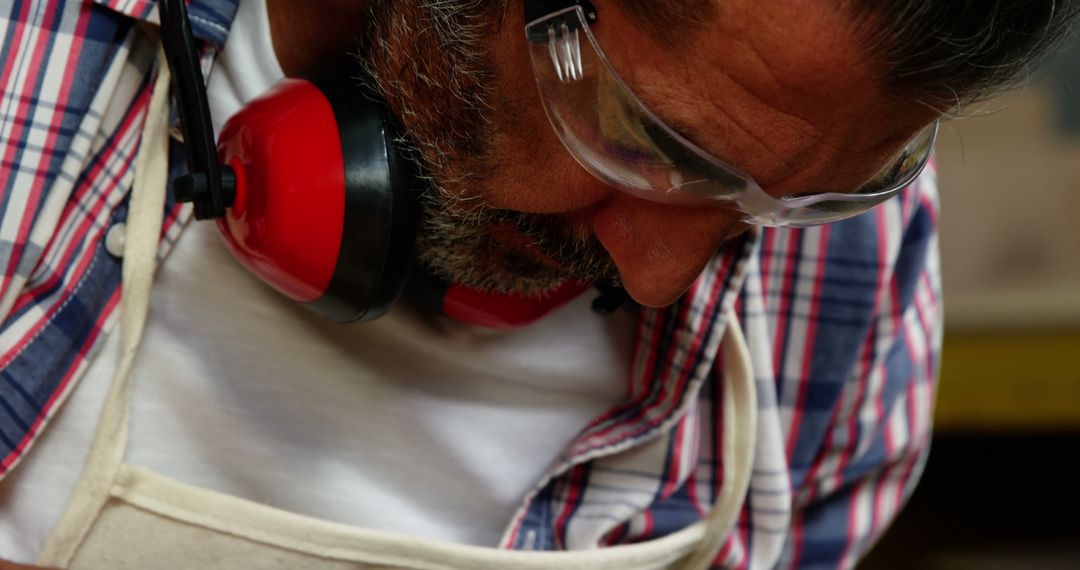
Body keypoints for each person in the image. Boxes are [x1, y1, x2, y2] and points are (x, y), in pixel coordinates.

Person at [0, 0, 1075, 568]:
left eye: (789, 198)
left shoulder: (852, 281)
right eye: (644, 140)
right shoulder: (26, 57)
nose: (662, 280)